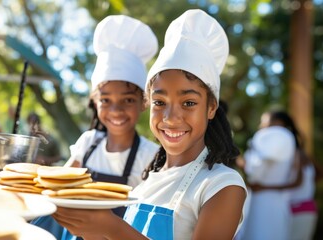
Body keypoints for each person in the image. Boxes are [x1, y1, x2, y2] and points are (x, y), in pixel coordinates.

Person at [52, 9, 247, 239]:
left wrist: (111, 227)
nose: (171, 118)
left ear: (211, 108)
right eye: (160, 102)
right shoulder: (148, 179)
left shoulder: (222, 185)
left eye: (189, 102)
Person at [31, 14, 160, 239]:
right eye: (106, 100)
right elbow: (59, 184)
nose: (116, 110)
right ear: (94, 101)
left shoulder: (150, 156)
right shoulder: (88, 142)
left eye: (128, 100)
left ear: (144, 102)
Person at [250, 110, 321, 240]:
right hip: (304, 207)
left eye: (265, 122)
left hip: (297, 208)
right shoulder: (300, 151)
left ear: (278, 124)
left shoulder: (293, 152)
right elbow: (317, 174)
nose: (261, 126)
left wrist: (264, 188)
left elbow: (297, 182)